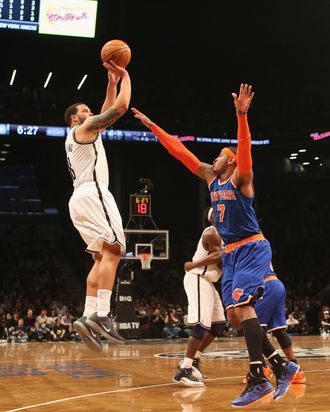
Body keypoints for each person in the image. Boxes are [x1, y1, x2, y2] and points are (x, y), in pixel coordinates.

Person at [132, 84, 299, 407]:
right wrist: (154, 128)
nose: (215, 158)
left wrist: (241, 115)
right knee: (235, 318)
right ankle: (281, 364)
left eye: (222, 156)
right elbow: (181, 153)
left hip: (251, 247)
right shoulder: (212, 178)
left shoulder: (241, 179)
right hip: (234, 254)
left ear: (232, 163)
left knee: (241, 308)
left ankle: (257, 377)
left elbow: (245, 149)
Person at [64, 60, 131, 352]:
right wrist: (126, 77)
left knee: (100, 257)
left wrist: (112, 83)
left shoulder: (77, 136)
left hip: (78, 199)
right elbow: (118, 109)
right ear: (74, 119)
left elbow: (105, 108)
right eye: (85, 112)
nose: (90, 114)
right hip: (94, 194)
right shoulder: (85, 128)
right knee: (115, 249)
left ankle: (88, 312)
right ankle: (103, 314)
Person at [173, 207, 226, 387]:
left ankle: (194, 360)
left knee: (218, 324)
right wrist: (193, 264)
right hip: (197, 277)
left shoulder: (225, 234)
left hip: (208, 281)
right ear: (213, 218)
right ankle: (184, 370)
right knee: (202, 325)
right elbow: (218, 255)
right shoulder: (212, 232)